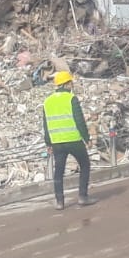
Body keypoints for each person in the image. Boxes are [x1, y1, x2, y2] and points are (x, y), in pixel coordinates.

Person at [43, 69, 93, 210]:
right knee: (85, 165)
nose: (72, 85)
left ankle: (60, 202)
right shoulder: (71, 99)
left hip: (57, 143)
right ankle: (83, 197)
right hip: (74, 141)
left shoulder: (47, 102)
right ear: (67, 84)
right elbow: (79, 121)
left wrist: (48, 142)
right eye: (70, 82)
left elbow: (45, 125)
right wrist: (87, 138)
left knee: (58, 172)